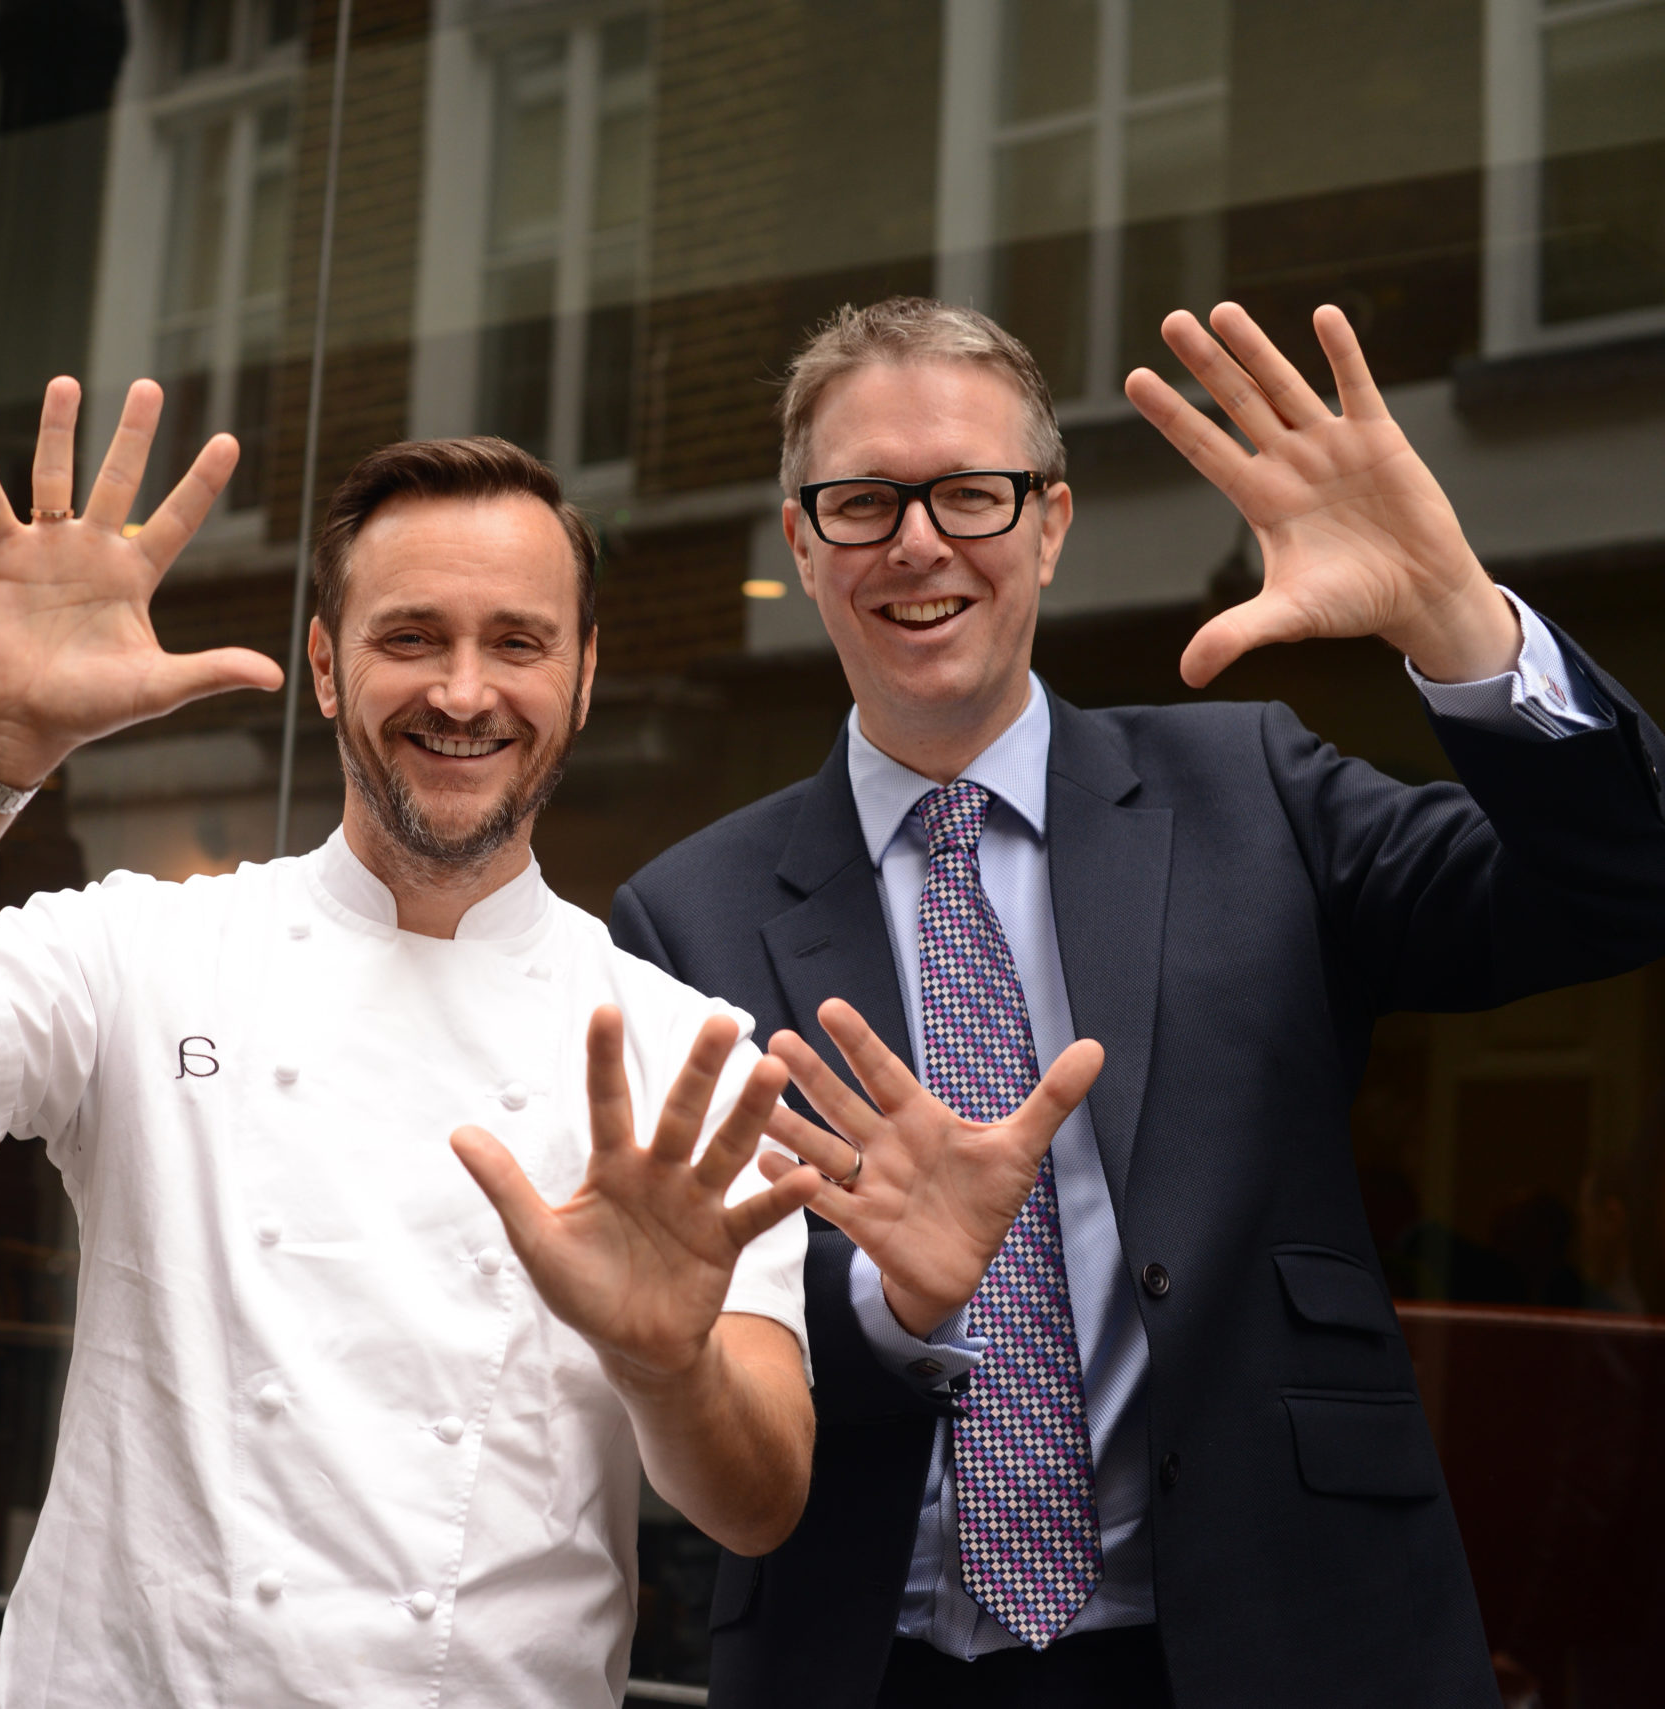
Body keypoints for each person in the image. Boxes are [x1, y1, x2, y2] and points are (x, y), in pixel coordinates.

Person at [0, 381, 1097, 1707]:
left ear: (582, 672)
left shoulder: (687, 1054)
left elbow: (757, 1503)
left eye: (516, 641)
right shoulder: (143, 953)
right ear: (325, 665)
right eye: (408, 637)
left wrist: (665, 1362)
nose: (462, 690)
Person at [611, 296, 1665, 1709]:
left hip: (1279, 1635)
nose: (917, 541)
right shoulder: (684, 915)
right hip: (883, 1661)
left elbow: (1620, 884)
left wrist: (1458, 618)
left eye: (970, 494)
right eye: (862, 502)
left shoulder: (1257, 792)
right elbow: (690, 1327)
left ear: (1049, 523)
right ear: (802, 544)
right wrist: (885, 1300)